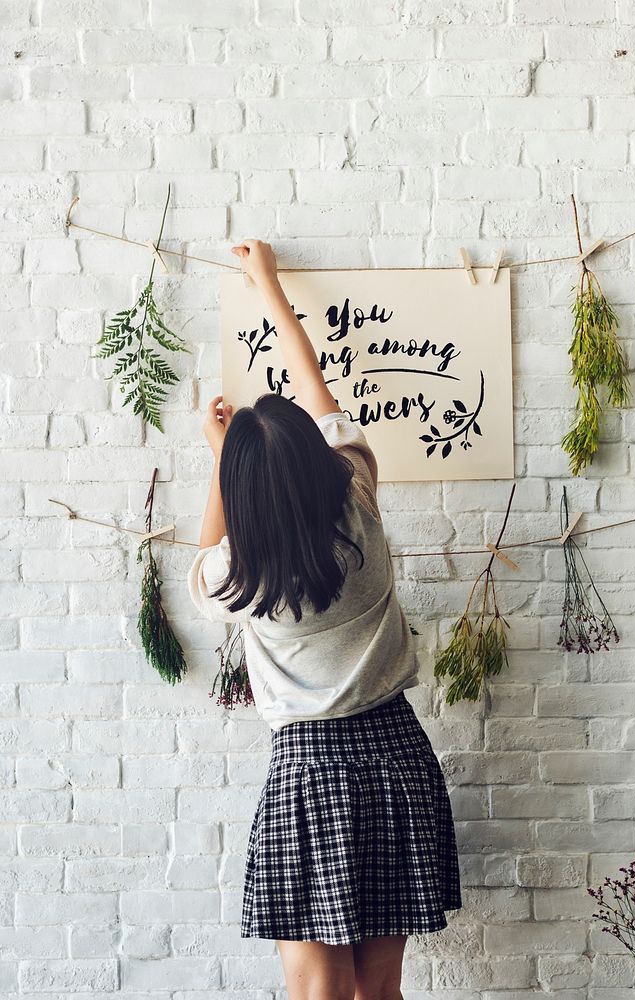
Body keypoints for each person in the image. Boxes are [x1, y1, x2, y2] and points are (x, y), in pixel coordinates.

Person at [187, 239, 462, 1000]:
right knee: (380, 995)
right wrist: (268, 285)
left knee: (320, 997)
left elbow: (204, 556)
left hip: (309, 776)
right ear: (319, 461)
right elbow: (318, 393)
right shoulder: (361, 509)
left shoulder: (239, 576)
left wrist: (218, 459)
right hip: (397, 758)